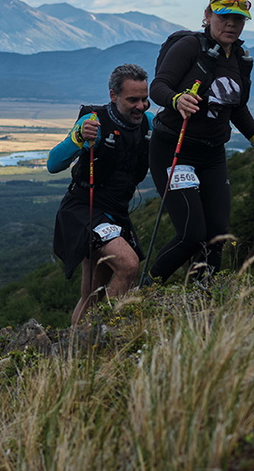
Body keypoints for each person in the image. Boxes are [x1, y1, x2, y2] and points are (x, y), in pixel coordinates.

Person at [146, 0, 254, 284]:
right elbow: (157, 87)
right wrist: (177, 99)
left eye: (238, 19)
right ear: (208, 15)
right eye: (224, 17)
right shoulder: (189, 47)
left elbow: (237, 108)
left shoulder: (241, 59)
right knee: (191, 235)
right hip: (174, 147)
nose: (231, 24)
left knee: (217, 236)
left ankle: (201, 301)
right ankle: (142, 295)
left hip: (212, 154)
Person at [48, 63, 153, 326]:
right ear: (113, 96)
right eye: (133, 100)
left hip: (115, 212)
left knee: (92, 293)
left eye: (144, 98)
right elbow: (53, 164)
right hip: (84, 207)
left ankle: (76, 351)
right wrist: (78, 138)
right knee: (128, 265)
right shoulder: (92, 121)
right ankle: (101, 334)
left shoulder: (147, 124)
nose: (141, 106)